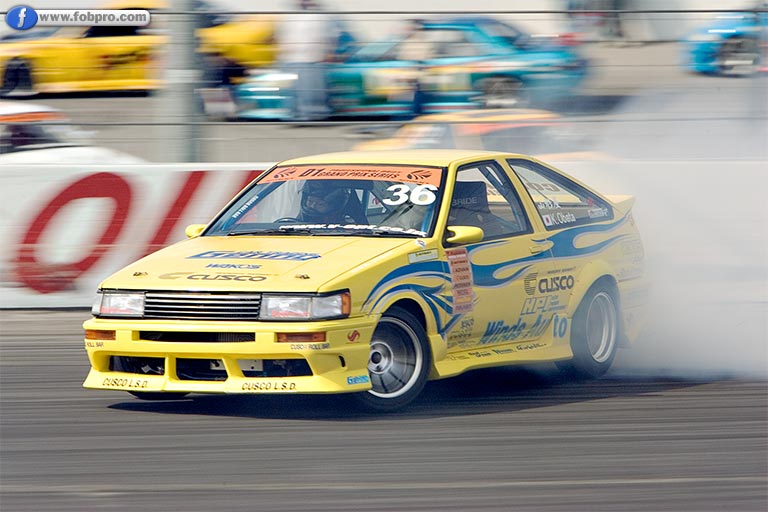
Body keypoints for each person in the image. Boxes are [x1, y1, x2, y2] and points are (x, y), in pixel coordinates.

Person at [278, 0, 333, 121]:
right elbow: (283, 37)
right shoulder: (289, 17)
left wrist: (325, 53)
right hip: (290, 60)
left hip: (311, 60)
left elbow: (327, 38)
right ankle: (295, 114)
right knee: (292, 90)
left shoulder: (320, 17)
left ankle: (312, 115)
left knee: (309, 90)